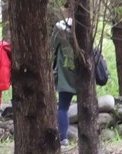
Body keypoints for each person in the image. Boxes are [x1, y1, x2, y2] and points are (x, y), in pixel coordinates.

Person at [51, 5, 78, 146]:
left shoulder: (60, 27)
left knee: (63, 107)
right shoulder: (84, 25)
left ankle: (63, 138)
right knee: (86, 104)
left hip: (65, 70)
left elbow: (52, 46)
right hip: (83, 69)